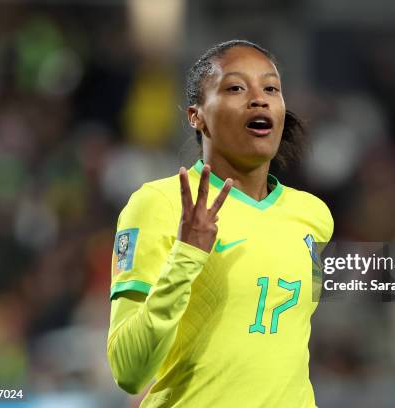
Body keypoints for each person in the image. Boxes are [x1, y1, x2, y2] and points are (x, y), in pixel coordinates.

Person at [106, 40, 334, 407]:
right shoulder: (158, 205)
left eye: (271, 88)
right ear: (196, 116)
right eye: (235, 88)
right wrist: (186, 256)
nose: (259, 99)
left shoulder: (313, 216)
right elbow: (128, 372)